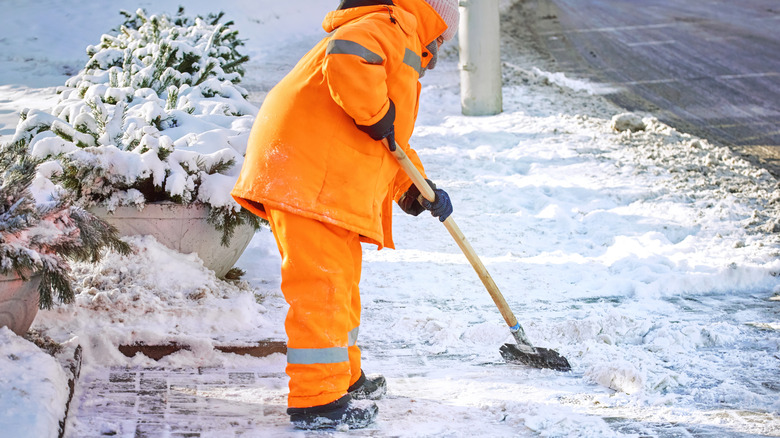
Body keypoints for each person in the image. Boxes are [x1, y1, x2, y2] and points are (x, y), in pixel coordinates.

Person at [231, 0, 459, 430]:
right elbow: (349, 56)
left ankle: (343, 379)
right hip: (307, 174)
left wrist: (420, 191)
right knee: (322, 289)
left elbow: (387, 143)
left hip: (320, 177)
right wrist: (378, 115)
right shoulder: (387, 25)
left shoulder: (399, 37)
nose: (441, 48)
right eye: (444, 37)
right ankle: (316, 401)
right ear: (435, 21)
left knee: (341, 287)